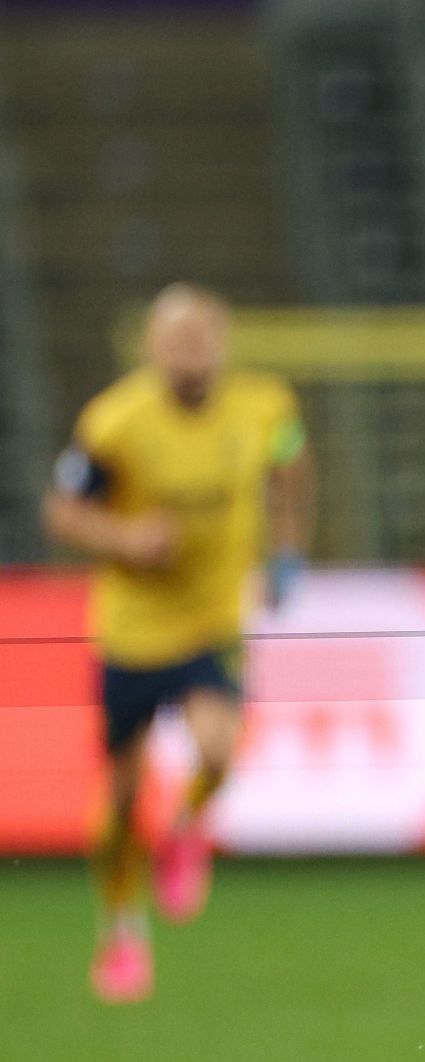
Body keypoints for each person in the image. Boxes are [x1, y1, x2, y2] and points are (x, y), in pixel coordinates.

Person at [41, 284, 312, 1004]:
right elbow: (63, 510)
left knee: (221, 749)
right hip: (131, 631)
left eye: (201, 336)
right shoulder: (114, 424)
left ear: (222, 342)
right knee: (123, 797)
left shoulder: (265, 408)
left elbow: (291, 465)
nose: (189, 350)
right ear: (152, 347)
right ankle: (121, 928)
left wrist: (288, 549)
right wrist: (125, 537)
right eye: (175, 337)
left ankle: (187, 828)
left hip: (211, 620)